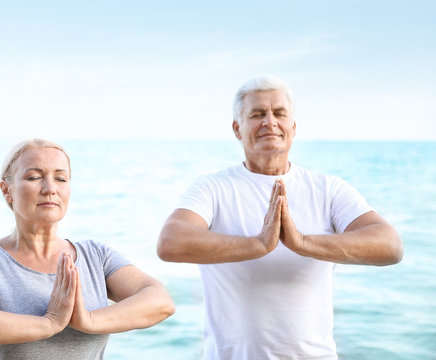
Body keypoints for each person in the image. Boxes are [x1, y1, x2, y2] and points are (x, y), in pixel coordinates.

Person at [157, 76, 403, 360]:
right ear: (237, 128)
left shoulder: (328, 188)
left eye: (280, 114)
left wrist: (301, 242)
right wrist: (259, 244)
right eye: (257, 114)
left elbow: (390, 246)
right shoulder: (212, 188)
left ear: (293, 127)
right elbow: (170, 242)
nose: (270, 122)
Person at [0, 138, 175, 360]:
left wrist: (88, 320)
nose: (50, 188)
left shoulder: (96, 256)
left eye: (60, 178)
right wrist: (48, 323)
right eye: (34, 177)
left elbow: (160, 302)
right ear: (7, 190)